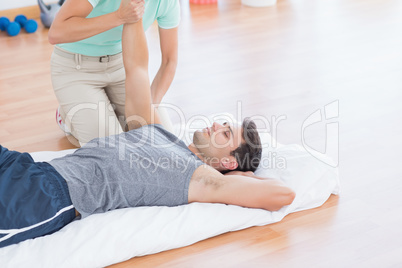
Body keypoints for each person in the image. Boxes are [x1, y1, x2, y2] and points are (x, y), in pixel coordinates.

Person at [0, 17, 295, 248]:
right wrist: (131, 16)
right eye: (224, 124)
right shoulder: (159, 133)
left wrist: (238, 178)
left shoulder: (202, 179)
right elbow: (137, 69)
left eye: (226, 134)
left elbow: (284, 194)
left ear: (229, 162)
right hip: (26, 166)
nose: (218, 124)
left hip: (44, 195)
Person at [48, 0, 179, 146]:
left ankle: (106, 111)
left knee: (163, 141)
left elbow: (169, 61)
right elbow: (56, 33)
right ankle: (67, 116)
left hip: (122, 65)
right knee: (111, 147)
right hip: (76, 69)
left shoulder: (167, 2)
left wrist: (150, 106)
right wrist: (120, 16)